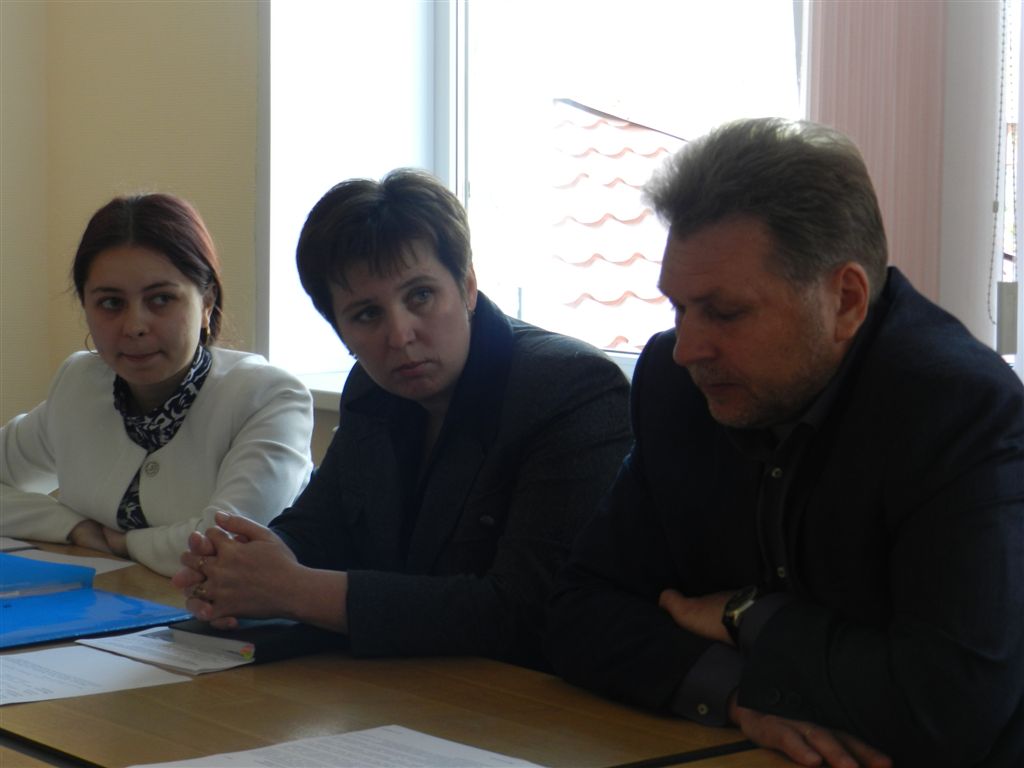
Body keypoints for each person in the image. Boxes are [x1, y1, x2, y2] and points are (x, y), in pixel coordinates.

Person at [546, 118, 1024, 768]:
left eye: (725, 313)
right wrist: (737, 691)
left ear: (846, 300)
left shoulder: (959, 409)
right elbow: (576, 611)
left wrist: (748, 616)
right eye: (679, 308)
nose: (687, 348)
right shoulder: (675, 385)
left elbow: (952, 706)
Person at [172, 169, 631, 669]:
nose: (400, 335)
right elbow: (320, 528)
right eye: (367, 314)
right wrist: (239, 563)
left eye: (421, 296)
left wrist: (295, 591)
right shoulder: (373, 388)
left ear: (468, 286)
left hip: (527, 700)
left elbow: (526, 610)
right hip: (403, 685)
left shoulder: (570, 389)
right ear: (340, 330)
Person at [1, 194, 315, 577]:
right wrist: (73, 527)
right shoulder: (78, 383)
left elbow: (226, 546)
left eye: (161, 299)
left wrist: (122, 543)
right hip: (112, 604)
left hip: (230, 613)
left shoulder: (268, 397)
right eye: (111, 303)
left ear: (207, 303)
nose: (135, 325)